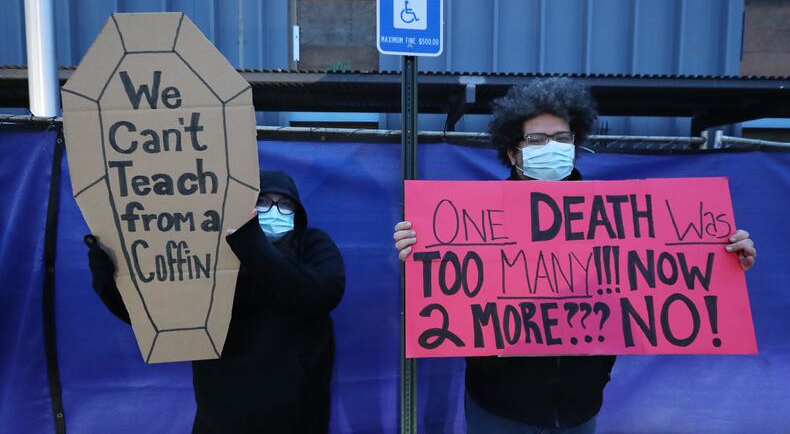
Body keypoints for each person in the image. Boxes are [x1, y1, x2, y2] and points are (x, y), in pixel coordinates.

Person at [393, 78, 757, 433]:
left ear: (575, 143)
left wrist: (721, 257)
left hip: (579, 405)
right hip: (498, 406)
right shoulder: (474, 223)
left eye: (562, 138)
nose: (551, 146)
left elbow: (655, 278)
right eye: (536, 139)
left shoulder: (619, 220)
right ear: (512, 150)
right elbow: (453, 292)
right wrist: (420, 249)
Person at [87, 170, 345, 433]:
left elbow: (323, 293)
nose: (274, 211)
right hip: (221, 417)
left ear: (297, 211)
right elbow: (160, 319)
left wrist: (253, 248)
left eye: (285, 203)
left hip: (298, 417)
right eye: (264, 202)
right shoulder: (212, 252)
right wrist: (106, 278)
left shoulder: (312, 243)